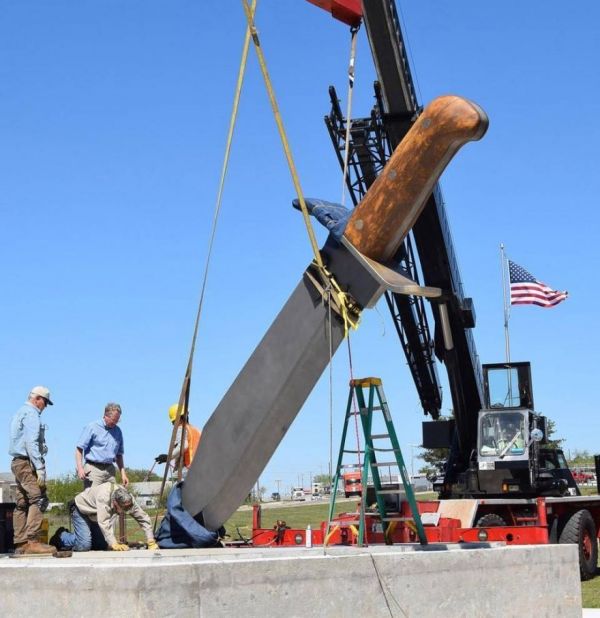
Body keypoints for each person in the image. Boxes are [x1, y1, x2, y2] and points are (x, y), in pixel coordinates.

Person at [8, 386, 57, 555]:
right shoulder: (32, 414)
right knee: (39, 499)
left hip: (17, 462)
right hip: (27, 463)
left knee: (22, 503)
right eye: (44, 402)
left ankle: (20, 543)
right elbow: (31, 443)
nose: (45, 406)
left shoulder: (19, 412)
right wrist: (40, 467)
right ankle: (32, 541)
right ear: (37, 399)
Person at [50, 483, 158, 552]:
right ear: (115, 502)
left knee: (100, 545)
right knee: (84, 545)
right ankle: (61, 536)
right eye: (123, 509)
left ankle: (83, 536)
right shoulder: (104, 497)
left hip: (94, 514)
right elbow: (104, 523)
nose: (126, 512)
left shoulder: (128, 500)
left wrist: (150, 540)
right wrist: (114, 543)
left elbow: (143, 518)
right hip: (80, 509)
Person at [75, 402, 129, 488]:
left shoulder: (118, 431)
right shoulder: (92, 427)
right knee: (92, 498)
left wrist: (123, 474)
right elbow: (79, 449)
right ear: (105, 416)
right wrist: (80, 468)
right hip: (93, 469)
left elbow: (119, 455)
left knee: (112, 497)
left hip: (110, 471)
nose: (115, 423)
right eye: (113, 420)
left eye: (117, 420)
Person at [154, 403, 201, 477]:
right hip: (199, 469)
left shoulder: (181, 429)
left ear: (179, 418)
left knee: (176, 488)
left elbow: (183, 445)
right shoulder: (196, 430)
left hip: (186, 470)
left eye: (173, 421)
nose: (173, 424)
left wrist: (168, 457)